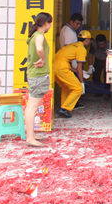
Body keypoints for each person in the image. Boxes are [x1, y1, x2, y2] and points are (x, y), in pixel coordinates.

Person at [25, 12, 53, 147]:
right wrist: (42, 59)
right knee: (32, 107)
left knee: (32, 106)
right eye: (50, 23)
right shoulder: (39, 36)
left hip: (35, 75)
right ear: (46, 23)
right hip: (38, 75)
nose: (50, 26)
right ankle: (30, 138)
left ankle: (31, 134)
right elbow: (39, 48)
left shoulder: (34, 35)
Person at [53, 30, 92, 118]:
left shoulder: (71, 46)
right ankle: (64, 109)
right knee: (78, 88)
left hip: (55, 67)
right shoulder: (81, 49)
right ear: (87, 40)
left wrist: (78, 71)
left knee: (66, 87)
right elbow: (79, 67)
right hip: (62, 68)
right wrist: (82, 82)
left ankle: (63, 107)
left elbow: (64, 62)